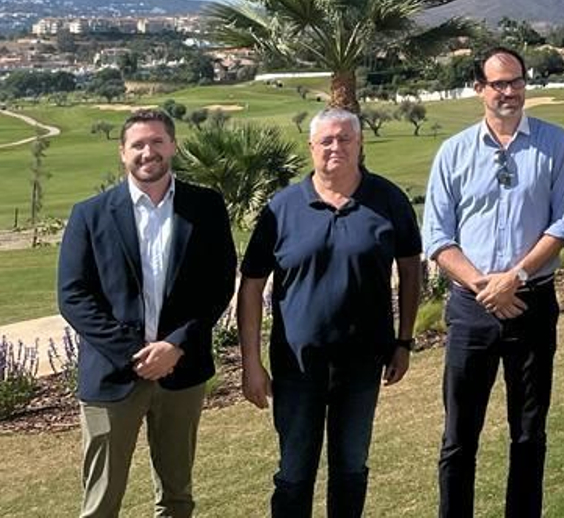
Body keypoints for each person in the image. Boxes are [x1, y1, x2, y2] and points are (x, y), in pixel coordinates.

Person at [237, 107, 422, 518]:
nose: (335, 147)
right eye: (326, 140)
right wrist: (251, 362)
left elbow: (412, 270)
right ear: (311, 147)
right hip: (296, 366)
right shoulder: (282, 207)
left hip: (362, 363)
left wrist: (404, 341)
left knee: (351, 469)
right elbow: (251, 286)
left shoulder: (388, 200)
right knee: (294, 474)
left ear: (360, 143)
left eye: (344, 139)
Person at [57, 108, 237, 518]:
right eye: (137, 144)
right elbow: (73, 296)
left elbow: (218, 285)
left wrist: (175, 346)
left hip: (182, 371)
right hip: (112, 375)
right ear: (122, 152)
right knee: (101, 502)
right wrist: (135, 353)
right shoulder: (90, 214)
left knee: (177, 498)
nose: (148, 151)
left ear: (173, 145)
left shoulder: (205, 207)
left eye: (157, 141)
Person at [423, 46, 564, 518]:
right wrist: (484, 286)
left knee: (528, 433)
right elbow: (437, 236)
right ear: (479, 89)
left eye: (516, 81)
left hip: (530, 302)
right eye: (498, 84)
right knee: (459, 436)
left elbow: (563, 222)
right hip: (471, 310)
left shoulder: (554, 142)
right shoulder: (454, 152)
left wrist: (516, 276)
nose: (509, 91)